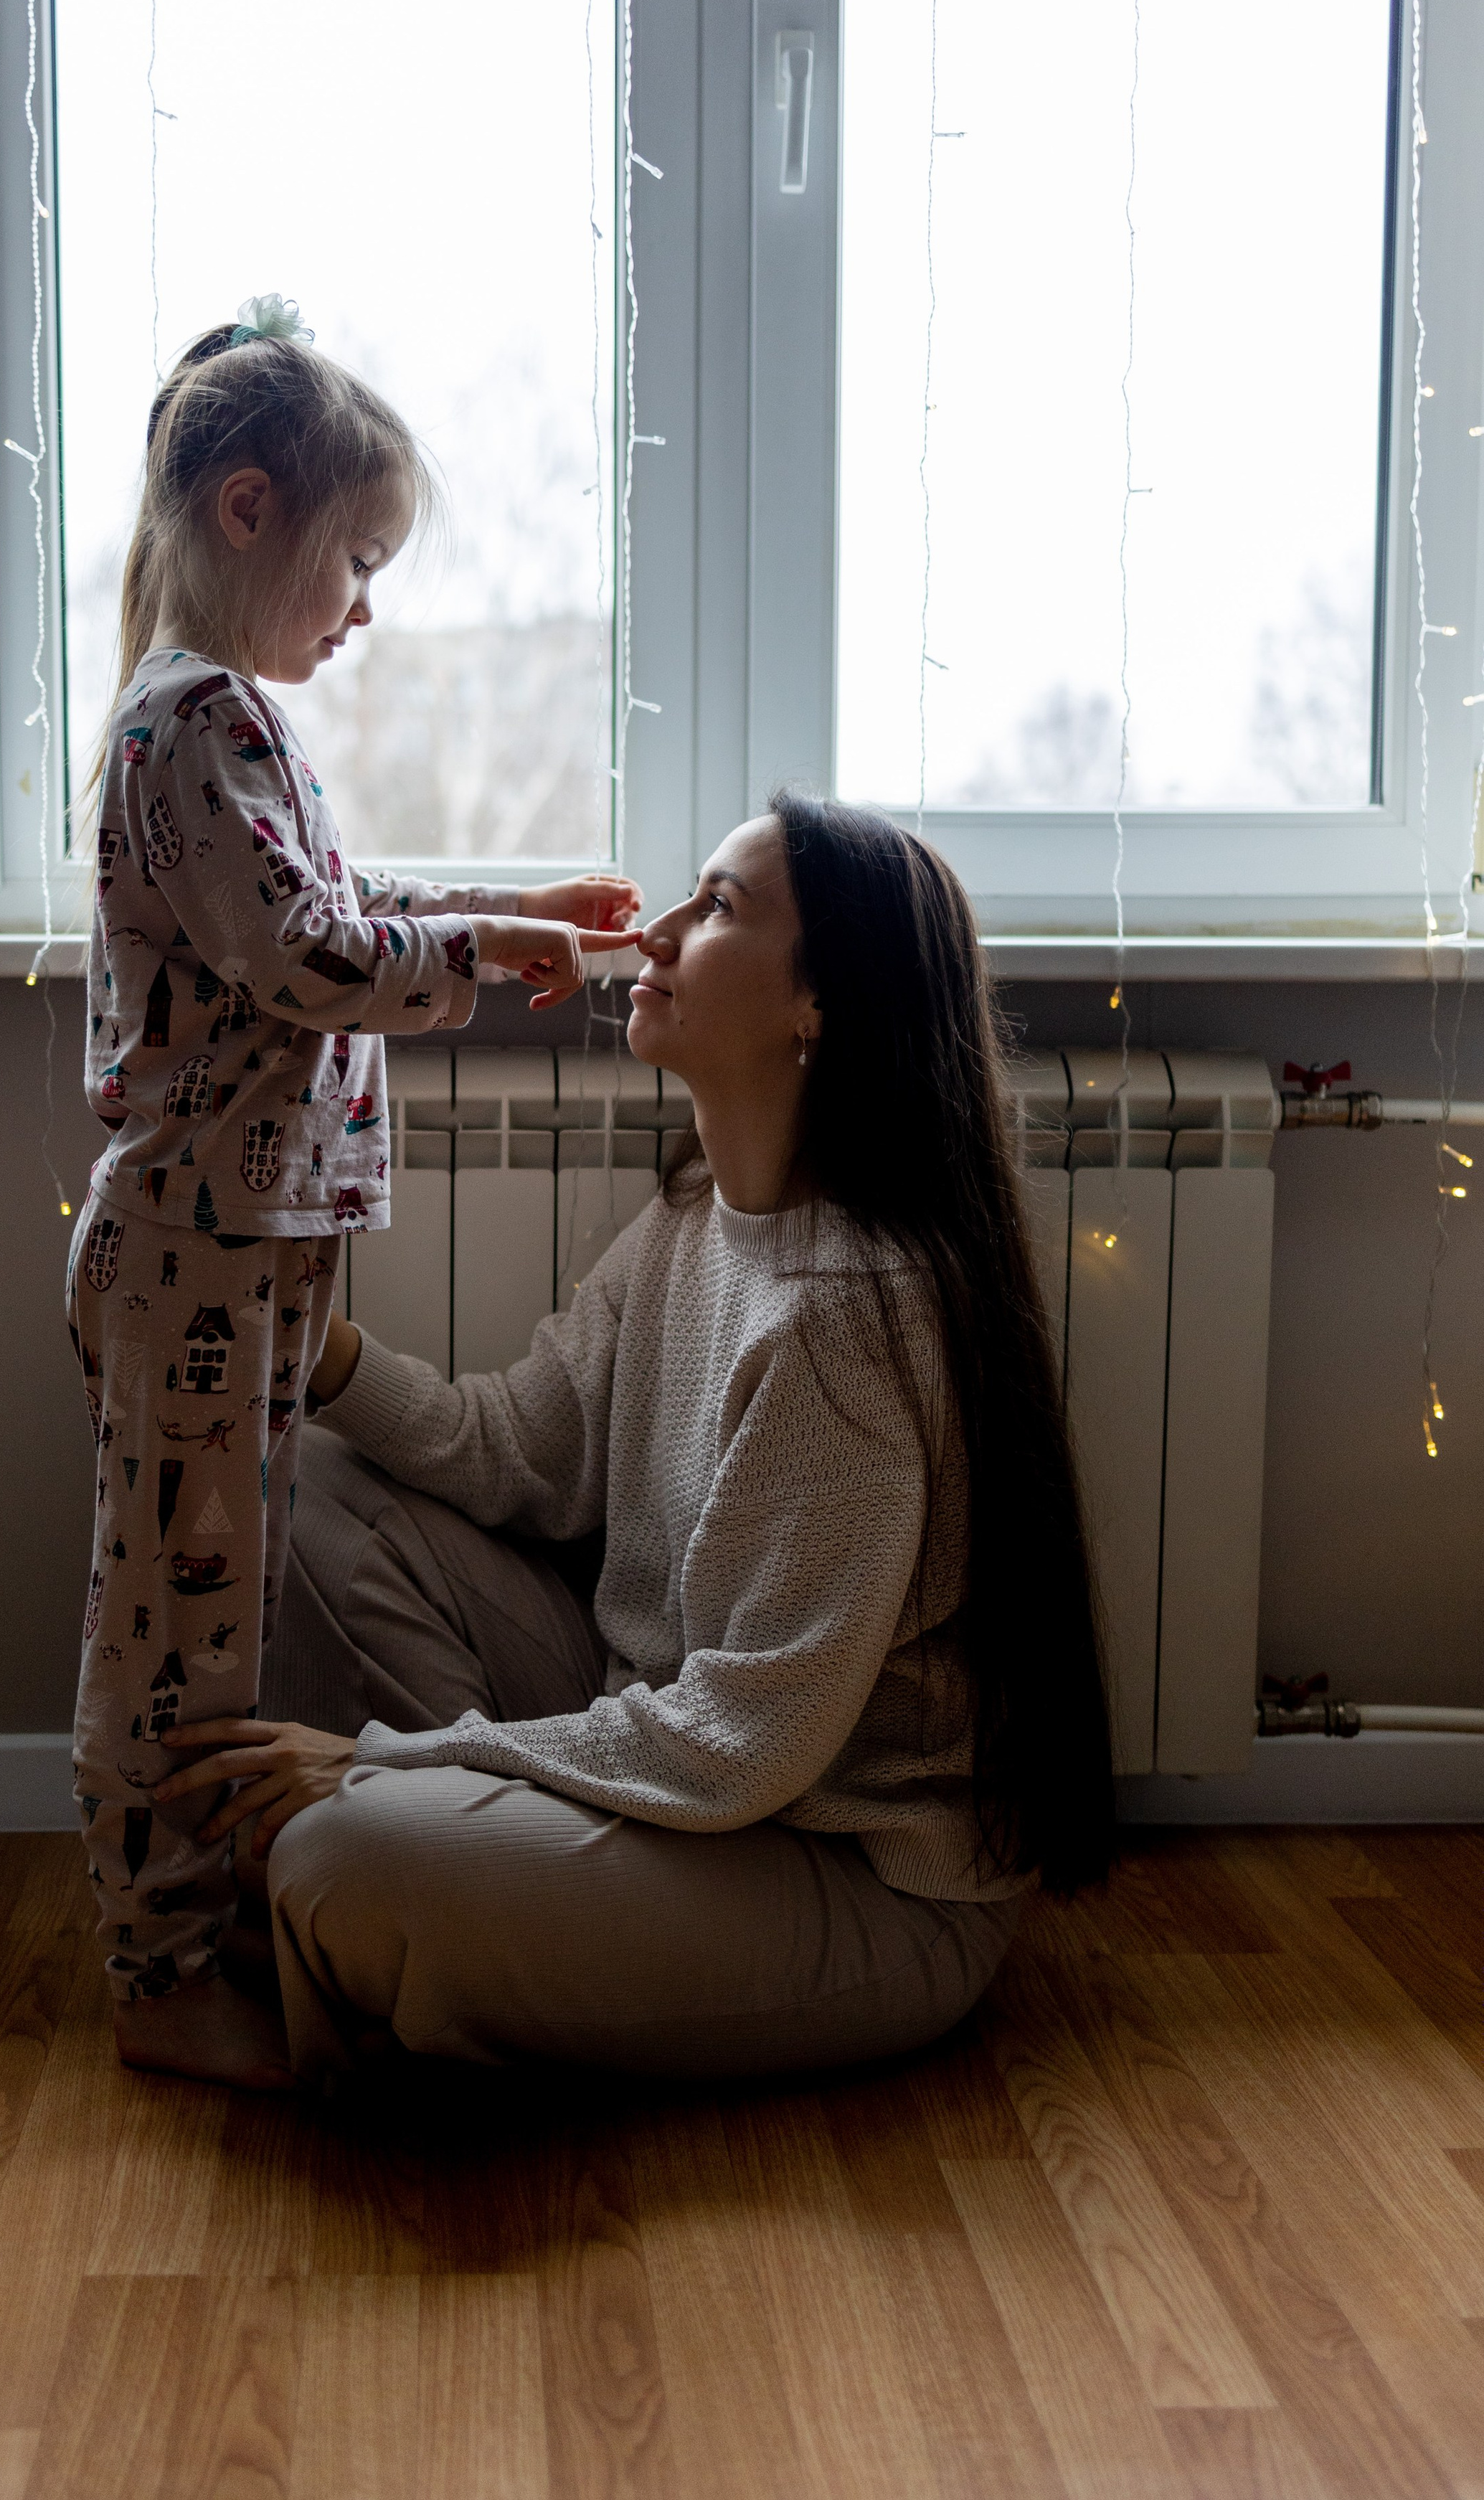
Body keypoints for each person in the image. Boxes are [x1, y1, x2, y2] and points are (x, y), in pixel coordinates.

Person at [153, 793, 1117, 2090]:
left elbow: (741, 1745)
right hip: (669, 1747)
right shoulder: (694, 1221)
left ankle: (411, 1888)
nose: (656, 932)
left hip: (841, 1871)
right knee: (319, 1479)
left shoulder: (842, 1321)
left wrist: (396, 1761)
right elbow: (522, 1455)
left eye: (716, 907)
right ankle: (444, 1877)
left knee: (343, 1857)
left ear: (815, 1008)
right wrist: (315, 1351)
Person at [66, 292, 638, 2080]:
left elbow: (328, 887)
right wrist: (480, 942)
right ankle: (160, 1978)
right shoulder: (193, 721)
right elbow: (309, 950)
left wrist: (514, 912)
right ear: (251, 514)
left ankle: (187, 1915)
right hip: (192, 1252)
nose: (367, 607)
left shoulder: (231, 724)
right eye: (356, 560)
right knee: (174, 1627)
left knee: (210, 1615)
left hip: (241, 1254)